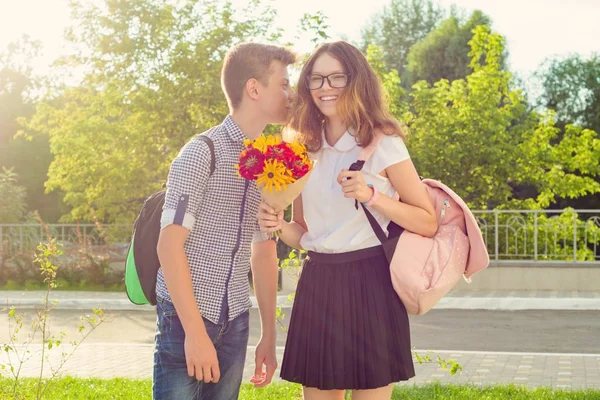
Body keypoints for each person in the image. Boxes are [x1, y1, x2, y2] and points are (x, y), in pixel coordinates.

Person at [257, 41, 438, 400]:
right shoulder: (302, 147)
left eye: (337, 77)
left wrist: (373, 196)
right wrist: (277, 224)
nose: (326, 88)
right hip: (318, 282)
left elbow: (427, 221)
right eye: (317, 79)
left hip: (371, 282)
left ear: (357, 81)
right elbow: (304, 233)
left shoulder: (382, 142)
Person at [153, 43, 296, 400]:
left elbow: (264, 251)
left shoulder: (269, 161)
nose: (291, 94)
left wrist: (268, 335)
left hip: (235, 320)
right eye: (284, 84)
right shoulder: (202, 152)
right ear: (254, 89)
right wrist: (195, 335)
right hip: (186, 319)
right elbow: (168, 247)